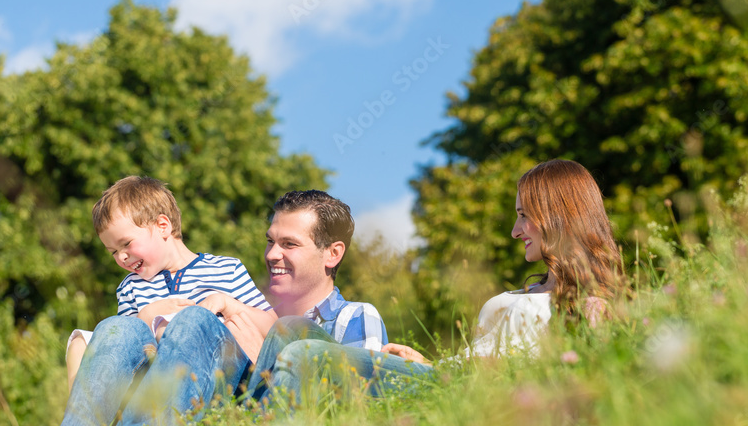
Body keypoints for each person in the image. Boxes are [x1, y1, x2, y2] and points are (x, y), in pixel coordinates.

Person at [24, 190, 386, 426]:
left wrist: (229, 312)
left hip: (236, 398)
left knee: (195, 320)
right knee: (111, 329)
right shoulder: (132, 288)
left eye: (288, 244)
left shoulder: (350, 316)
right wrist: (105, 335)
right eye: (270, 242)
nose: (271, 254)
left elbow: (364, 400)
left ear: (332, 253)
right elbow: (116, 347)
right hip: (165, 390)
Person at [258, 158, 625, 406]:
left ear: (558, 216)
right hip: (440, 378)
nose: (515, 231)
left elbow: (564, 381)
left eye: (523, 216)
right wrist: (426, 362)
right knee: (290, 328)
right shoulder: (531, 292)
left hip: (466, 394)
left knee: (309, 354)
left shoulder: (592, 307)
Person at [64, 176, 273, 390]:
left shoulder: (225, 269)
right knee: (80, 343)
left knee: (177, 327)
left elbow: (275, 328)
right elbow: (123, 350)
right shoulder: (130, 287)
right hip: (158, 379)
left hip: (222, 372)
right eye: (113, 252)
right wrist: (145, 317)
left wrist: (229, 304)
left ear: (163, 226)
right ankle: (83, 412)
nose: (121, 257)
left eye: (126, 244)